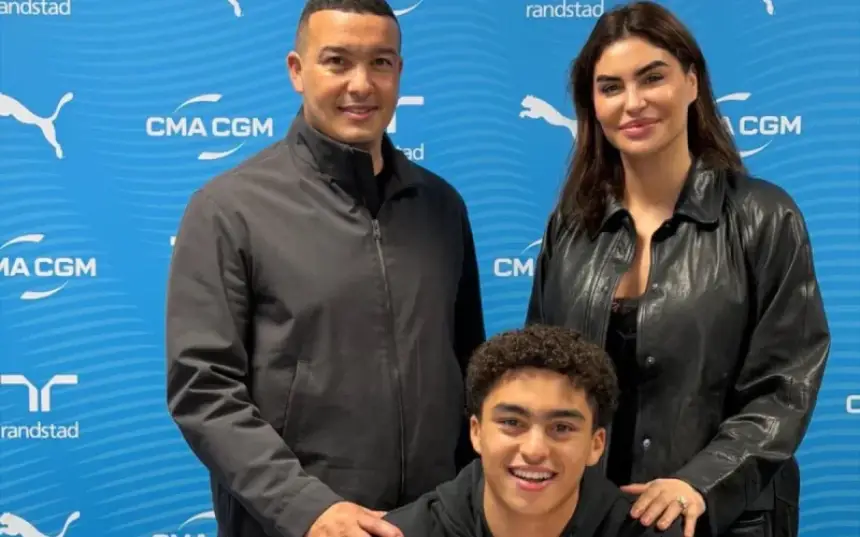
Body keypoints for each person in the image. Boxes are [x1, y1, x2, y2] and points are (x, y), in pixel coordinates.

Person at [165, 1, 486, 536]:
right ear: (297, 70)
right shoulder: (229, 209)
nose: (361, 84)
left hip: (429, 522)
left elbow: (470, 368)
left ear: (399, 72)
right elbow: (204, 390)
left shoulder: (441, 207)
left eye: (380, 62)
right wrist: (306, 507)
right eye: (337, 61)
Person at [525, 2, 830, 537]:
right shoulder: (571, 228)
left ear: (692, 83)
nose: (633, 102)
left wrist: (698, 483)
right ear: (592, 104)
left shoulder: (764, 216)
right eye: (611, 87)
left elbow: (785, 386)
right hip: (593, 519)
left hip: (726, 519)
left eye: (652, 78)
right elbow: (542, 376)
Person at [384, 325, 683, 537]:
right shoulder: (404, 532)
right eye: (512, 423)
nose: (534, 450)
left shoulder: (645, 532)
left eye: (561, 427)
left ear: (596, 444)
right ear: (476, 432)